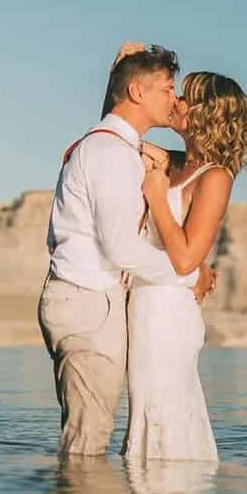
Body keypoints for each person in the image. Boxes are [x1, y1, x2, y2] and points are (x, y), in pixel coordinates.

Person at [38, 47, 216, 457]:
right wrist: (190, 274)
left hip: (92, 300)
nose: (174, 99)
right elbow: (121, 249)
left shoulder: (116, 148)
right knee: (88, 437)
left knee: (91, 429)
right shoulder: (108, 154)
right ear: (137, 91)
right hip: (87, 300)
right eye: (169, 89)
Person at [123, 60, 247, 461]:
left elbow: (183, 259)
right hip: (143, 305)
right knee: (144, 411)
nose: (176, 100)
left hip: (167, 314)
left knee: (165, 412)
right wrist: (121, 75)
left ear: (207, 113)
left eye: (187, 97)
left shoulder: (215, 178)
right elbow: (114, 136)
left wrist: (157, 196)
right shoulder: (176, 162)